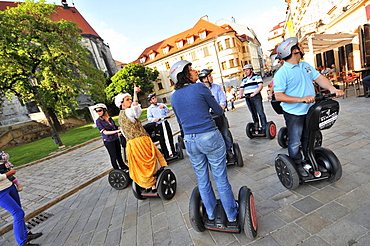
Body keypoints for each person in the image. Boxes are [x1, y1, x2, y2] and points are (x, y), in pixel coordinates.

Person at [170, 60, 238, 225]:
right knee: (220, 177)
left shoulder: (173, 97)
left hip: (190, 140)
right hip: (208, 136)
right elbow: (218, 110)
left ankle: (211, 213)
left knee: (202, 178)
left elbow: (180, 121)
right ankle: (231, 214)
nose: (195, 71)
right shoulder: (200, 87)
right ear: (185, 75)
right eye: (191, 70)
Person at [274, 37, 344, 176]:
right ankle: (297, 164)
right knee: (295, 141)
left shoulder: (304, 65)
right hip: (294, 113)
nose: (302, 47)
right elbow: (279, 96)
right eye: (300, 45)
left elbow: (319, 78)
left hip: (310, 110)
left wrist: (332, 89)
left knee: (309, 137)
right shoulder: (282, 73)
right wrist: (301, 99)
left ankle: (308, 160)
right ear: (294, 50)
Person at [115, 84, 167, 190]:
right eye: (127, 100)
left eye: (129, 99)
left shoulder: (120, 116)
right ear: (122, 103)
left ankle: (148, 183)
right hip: (140, 141)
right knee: (149, 162)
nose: (130, 101)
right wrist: (135, 93)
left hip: (131, 143)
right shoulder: (128, 112)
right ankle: (153, 182)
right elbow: (136, 110)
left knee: (141, 164)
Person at [198, 69, 235, 162]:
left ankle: (229, 150)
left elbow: (222, 98)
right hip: (208, 117)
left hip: (219, 114)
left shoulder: (216, 87)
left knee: (225, 132)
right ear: (204, 79)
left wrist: (222, 105)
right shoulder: (200, 90)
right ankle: (217, 154)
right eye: (209, 76)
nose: (211, 77)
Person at [0, 168, 42, 246]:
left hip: (9, 186)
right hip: (1, 193)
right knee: (18, 213)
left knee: (20, 211)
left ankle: (25, 235)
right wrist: (7, 174)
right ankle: (22, 243)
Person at [94, 103, 128, 171]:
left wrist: (122, 128)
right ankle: (117, 170)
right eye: (97, 111)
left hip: (115, 139)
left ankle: (124, 168)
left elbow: (115, 127)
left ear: (104, 110)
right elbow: (105, 132)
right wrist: (116, 132)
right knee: (113, 156)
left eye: (100, 110)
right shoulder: (98, 121)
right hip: (108, 141)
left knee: (119, 155)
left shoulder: (110, 119)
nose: (98, 112)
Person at [238, 64, 268, 134]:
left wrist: (254, 93)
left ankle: (264, 127)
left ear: (251, 70)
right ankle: (256, 126)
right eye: (245, 70)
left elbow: (260, 86)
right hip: (248, 97)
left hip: (256, 96)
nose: (245, 72)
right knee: (253, 113)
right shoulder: (244, 79)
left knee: (260, 112)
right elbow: (241, 89)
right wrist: (240, 95)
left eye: (247, 70)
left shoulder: (257, 77)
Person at [147, 93, 176, 159]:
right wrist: (155, 119)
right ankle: (166, 154)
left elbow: (168, 111)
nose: (155, 99)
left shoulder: (161, 105)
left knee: (169, 137)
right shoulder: (150, 109)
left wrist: (164, 107)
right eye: (153, 98)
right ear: (150, 101)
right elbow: (149, 118)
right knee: (162, 139)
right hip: (158, 125)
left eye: (155, 98)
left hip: (164, 122)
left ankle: (173, 152)